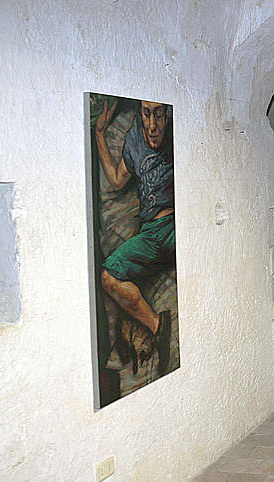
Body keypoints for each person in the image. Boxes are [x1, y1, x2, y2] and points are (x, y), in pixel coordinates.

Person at [94, 98, 175, 375]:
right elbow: (117, 180)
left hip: (178, 226)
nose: (153, 125)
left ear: (167, 115)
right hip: (151, 233)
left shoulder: (177, 135)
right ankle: (158, 326)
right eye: (147, 114)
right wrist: (99, 134)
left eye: (159, 115)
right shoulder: (134, 140)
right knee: (109, 277)